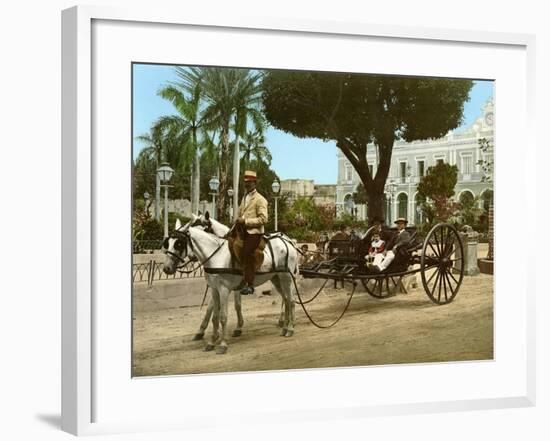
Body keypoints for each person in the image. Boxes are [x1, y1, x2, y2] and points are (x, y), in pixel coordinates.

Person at [236, 170, 268, 295]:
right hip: (242, 229)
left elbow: (263, 219)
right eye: (246, 182)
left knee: (247, 252)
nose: (247, 185)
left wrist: (245, 221)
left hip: (254, 232)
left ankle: (249, 283)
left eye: (249, 182)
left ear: (255, 183)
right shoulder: (244, 197)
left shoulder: (260, 199)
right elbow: (240, 213)